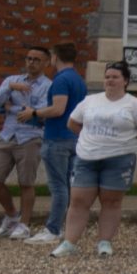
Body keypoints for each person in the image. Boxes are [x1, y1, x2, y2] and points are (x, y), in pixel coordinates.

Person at [49, 61, 137, 259]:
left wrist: (123, 141)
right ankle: (69, 242)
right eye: (107, 77)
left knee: (111, 202)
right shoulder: (90, 101)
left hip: (119, 159)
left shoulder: (135, 105)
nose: (110, 80)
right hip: (87, 157)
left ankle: (104, 242)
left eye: (115, 77)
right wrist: (92, 139)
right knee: (79, 200)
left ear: (125, 81)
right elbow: (73, 123)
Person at [0, 44, 51, 239]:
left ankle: (24, 225)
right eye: (29, 59)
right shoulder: (11, 80)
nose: (31, 63)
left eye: (36, 60)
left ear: (46, 63)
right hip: (7, 135)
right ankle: (12, 215)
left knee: (26, 183)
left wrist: (11, 108)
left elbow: (38, 114)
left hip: (31, 138)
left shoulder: (49, 86)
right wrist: (9, 89)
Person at [27, 43, 88, 245]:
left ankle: (53, 229)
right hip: (73, 138)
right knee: (69, 186)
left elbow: (58, 109)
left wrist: (33, 113)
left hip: (57, 138)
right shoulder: (79, 80)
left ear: (55, 57)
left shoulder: (61, 80)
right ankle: (66, 227)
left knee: (58, 187)